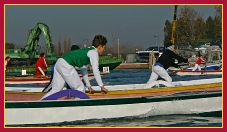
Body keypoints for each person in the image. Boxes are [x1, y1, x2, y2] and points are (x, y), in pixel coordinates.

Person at [41, 34, 108, 100]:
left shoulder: (88, 50)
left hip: (59, 62)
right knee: (80, 88)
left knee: (56, 90)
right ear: (100, 47)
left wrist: (88, 86)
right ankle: (77, 108)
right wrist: (101, 86)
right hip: (66, 64)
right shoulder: (94, 53)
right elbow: (96, 70)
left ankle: (41, 102)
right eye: (104, 47)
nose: (104, 50)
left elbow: (84, 70)